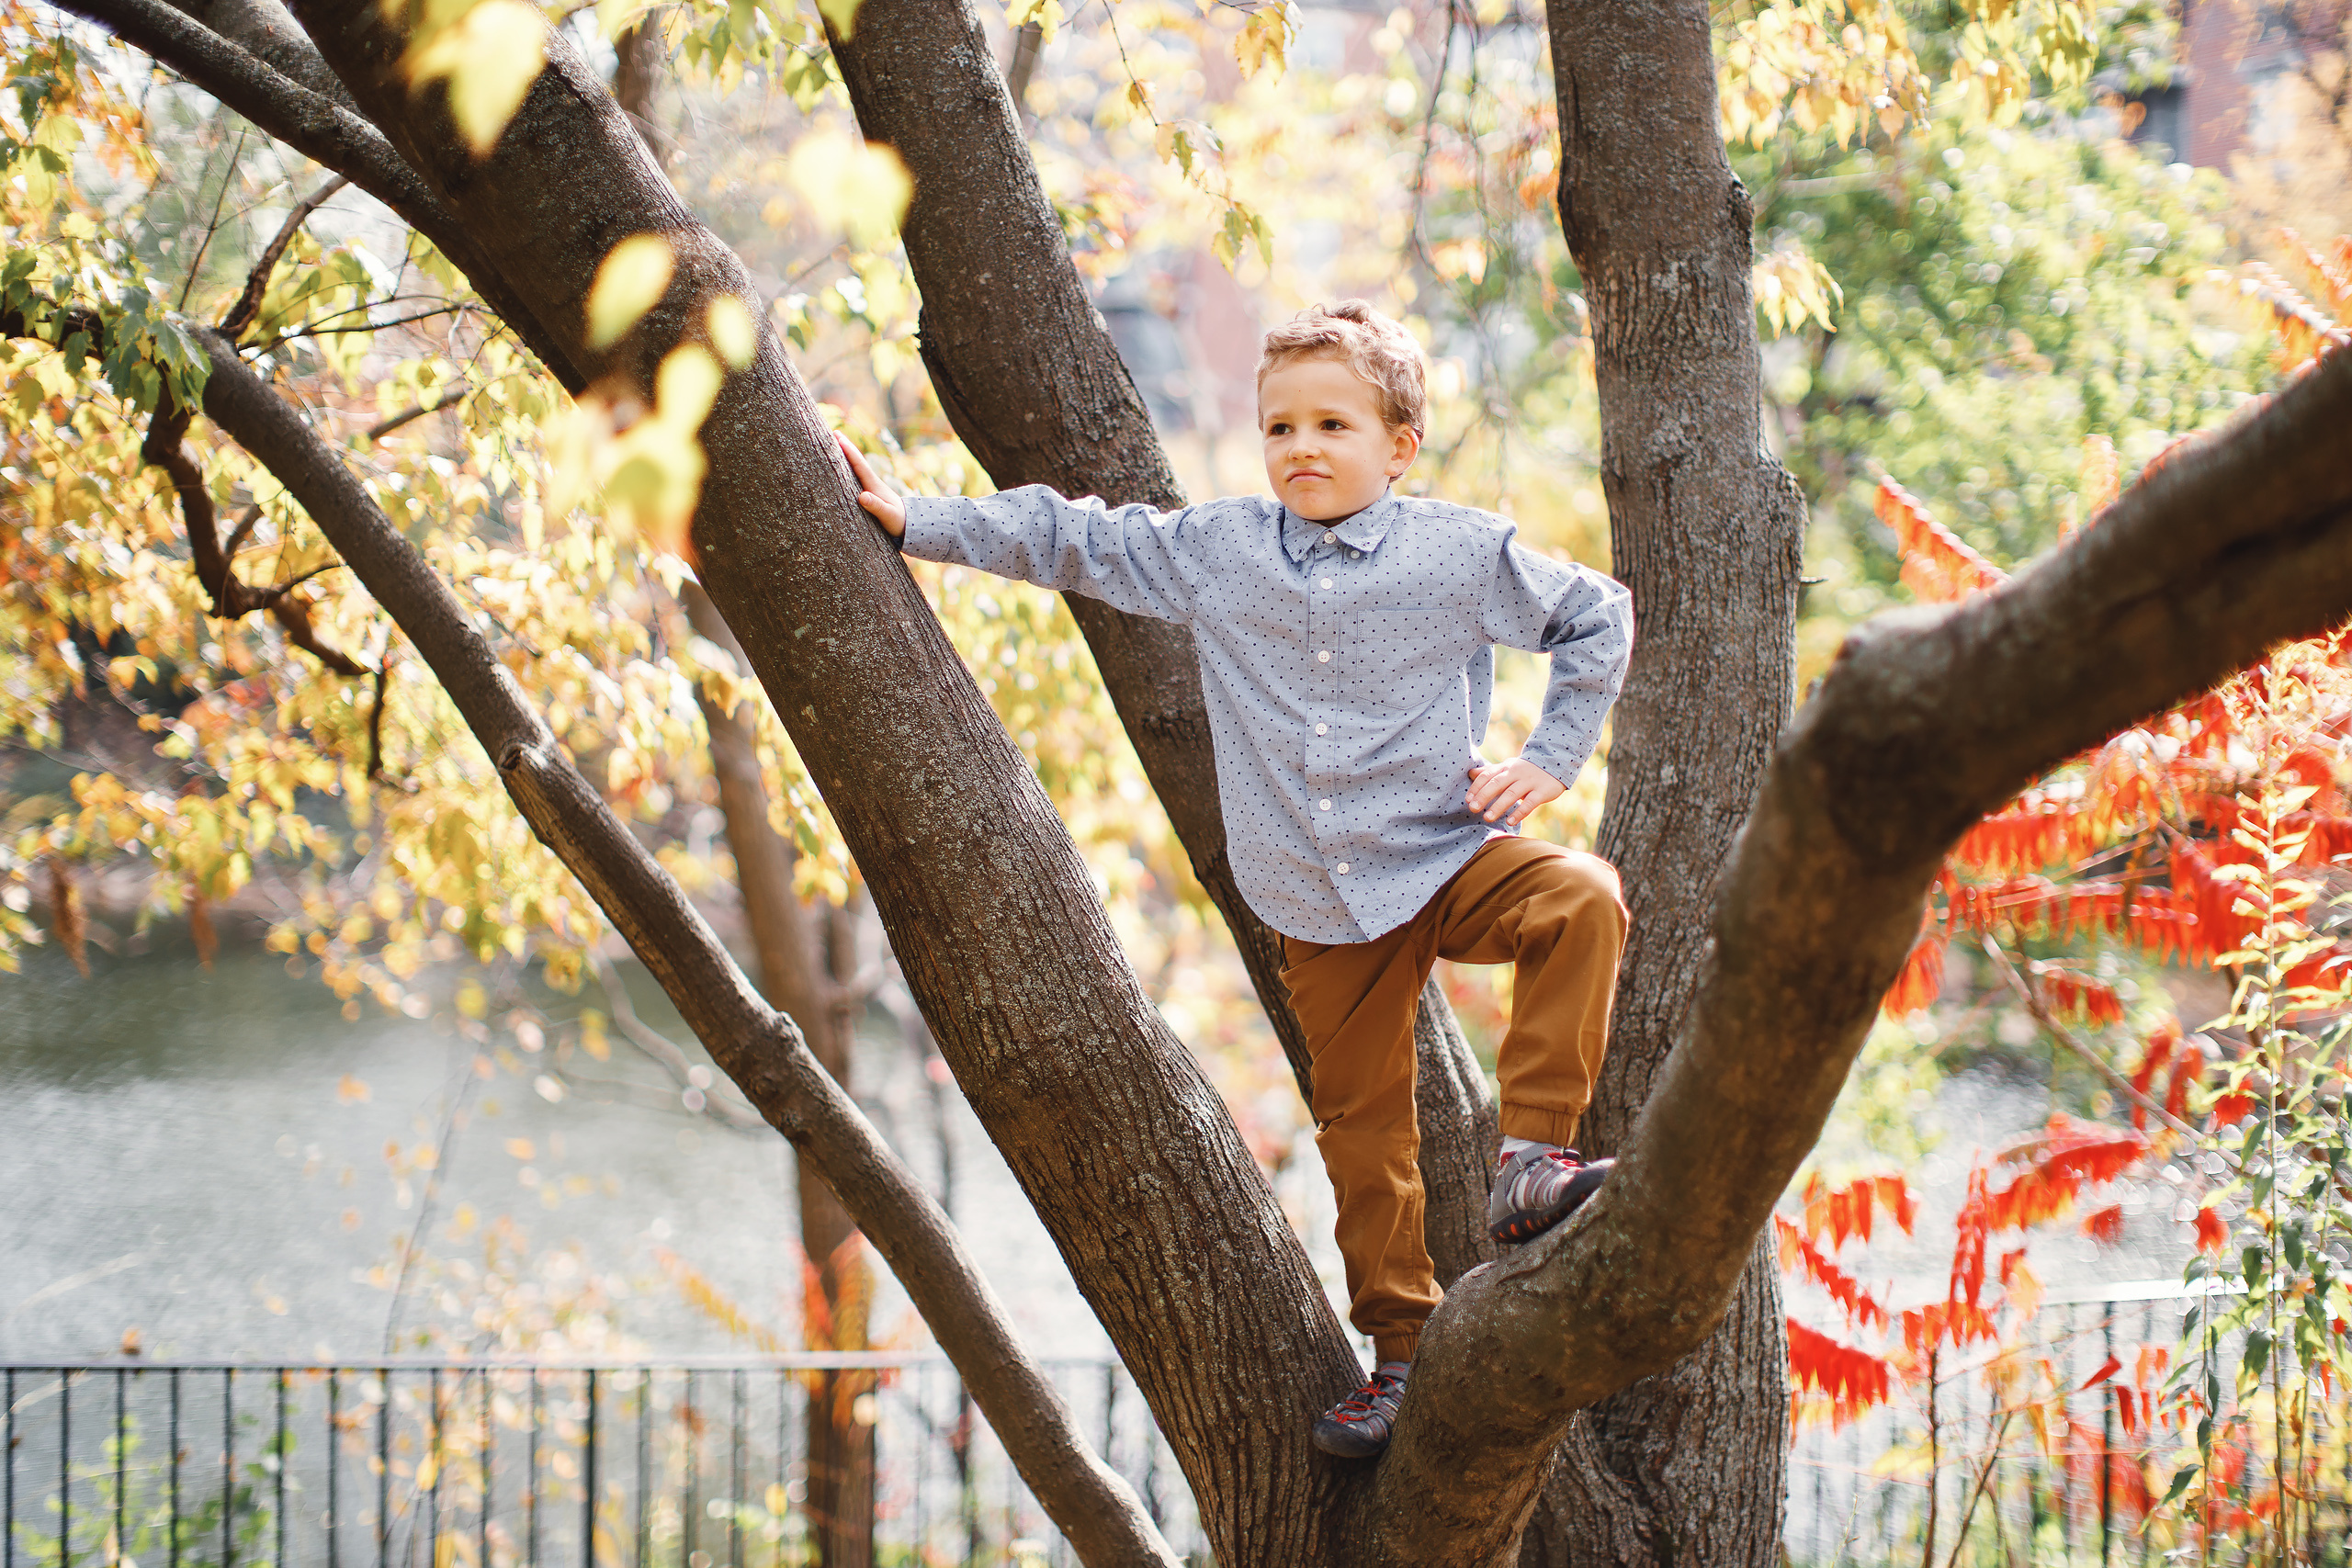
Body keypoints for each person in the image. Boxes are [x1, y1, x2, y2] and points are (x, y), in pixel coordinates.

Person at [836, 300, 1633, 1459]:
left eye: (1333, 425)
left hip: (1446, 852)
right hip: (1314, 896)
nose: (1301, 448)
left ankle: (1532, 1163)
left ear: (1397, 446)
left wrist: (1546, 763)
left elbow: (1594, 616)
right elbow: (1077, 540)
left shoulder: (1460, 554)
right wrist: (919, 519)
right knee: (1366, 1139)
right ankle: (1401, 1360)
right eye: (1280, 427)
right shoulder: (1218, 552)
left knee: (1582, 899)